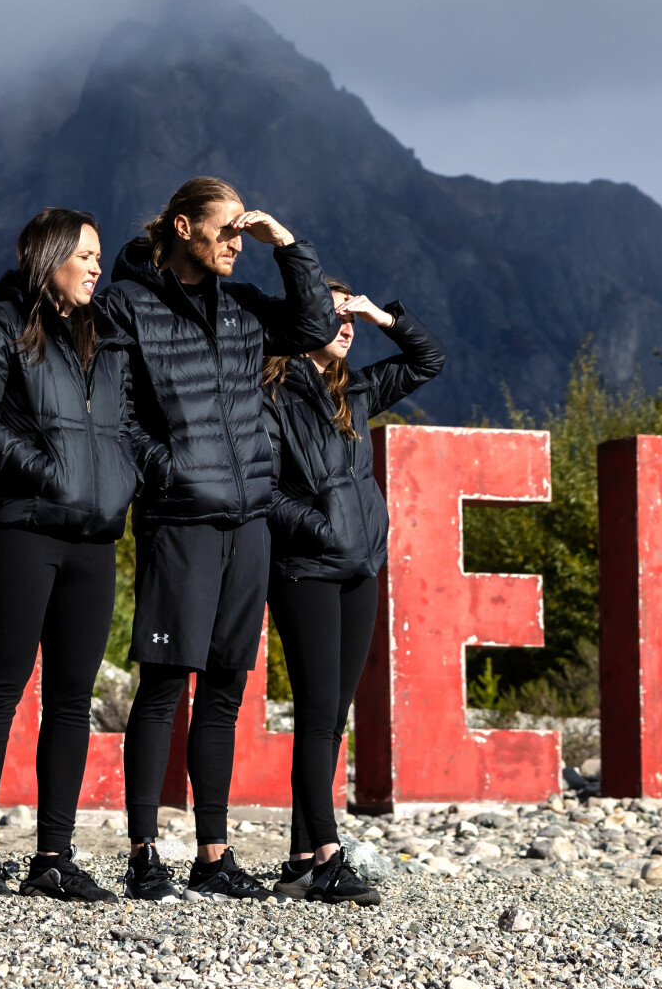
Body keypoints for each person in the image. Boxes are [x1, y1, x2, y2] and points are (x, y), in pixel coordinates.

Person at [107, 176, 334, 902]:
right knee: (165, 685)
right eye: (228, 229)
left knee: (228, 689)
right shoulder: (129, 305)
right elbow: (116, 412)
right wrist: (168, 472)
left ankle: (213, 855)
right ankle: (145, 855)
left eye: (244, 232)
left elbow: (316, 327)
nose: (239, 242)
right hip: (182, 519)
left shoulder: (242, 309)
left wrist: (288, 247)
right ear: (183, 228)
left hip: (249, 519)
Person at [0, 208, 139, 903]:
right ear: (49, 257)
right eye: (84, 254)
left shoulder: (106, 336)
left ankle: (53, 856)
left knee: (70, 700)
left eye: (98, 254)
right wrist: (44, 467)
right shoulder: (0, 324)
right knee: (0, 685)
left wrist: (126, 475)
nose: (95, 266)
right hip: (23, 528)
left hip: (94, 537)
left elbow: (129, 425)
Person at [263, 280, 445, 904]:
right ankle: (327, 856)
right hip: (306, 568)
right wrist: (321, 527)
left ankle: (296, 860)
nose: (346, 328)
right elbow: (263, 488)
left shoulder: (356, 390)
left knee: (330, 720)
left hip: (361, 566)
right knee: (316, 715)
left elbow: (429, 359)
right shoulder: (273, 390)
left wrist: (379, 313)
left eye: (350, 320)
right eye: (335, 317)